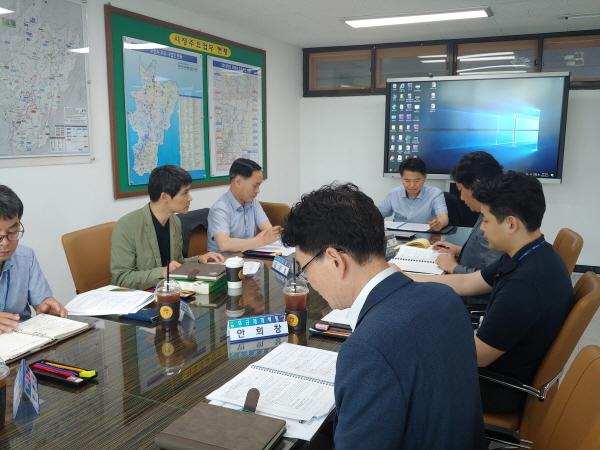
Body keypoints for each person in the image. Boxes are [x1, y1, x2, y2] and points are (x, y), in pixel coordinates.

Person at [282, 183, 484, 450]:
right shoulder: (444, 298)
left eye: (305, 269)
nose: (308, 281)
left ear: (334, 260)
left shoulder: (367, 349)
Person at [407, 172, 573, 413]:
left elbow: (477, 356)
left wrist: (421, 336)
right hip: (499, 367)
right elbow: (468, 282)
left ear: (511, 224)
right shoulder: (530, 252)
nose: (482, 229)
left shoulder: (524, 285)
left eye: (486, 220)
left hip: (496, 388)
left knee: (403, 359)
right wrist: (405, 278)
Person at [111, 165, 223, 290]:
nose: (190, 198)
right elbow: (121, 279)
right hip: (141, 296)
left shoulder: (175, 221)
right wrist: (163, 272)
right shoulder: (127, 226)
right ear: (164, 197)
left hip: (168, 291)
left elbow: (176, 263)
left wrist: (199, 259)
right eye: (185, 193)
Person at [432, 152, 504, 305]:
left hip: (473, 301)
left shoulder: (496, 218)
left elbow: (490, 278)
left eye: (461, 190)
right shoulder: (488, 208)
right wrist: (459, 250)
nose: (461, 197)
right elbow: (487, 255)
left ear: (475, 185)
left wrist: (453, 267)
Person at [0, 185, 66, 333]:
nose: (5, 243)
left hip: (23, 338)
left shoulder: (26, 257)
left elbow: (41, 301)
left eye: (12, 231)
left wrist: (47, 305)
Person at [207, 158, 281, 252]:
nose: (258, 191)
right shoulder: (220, 209)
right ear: (238, 182)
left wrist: (264, 238)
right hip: (224, 259)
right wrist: (259, 241)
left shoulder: (253, 202)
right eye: (255, 185)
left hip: (247, 256)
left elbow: (269, 232)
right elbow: (224, 244)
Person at [379, 157, 448, 231]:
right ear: (401, 178)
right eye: (407, 181)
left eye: (417, 181)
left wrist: (439, 224)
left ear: (425, 177)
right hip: (399, 234)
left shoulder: (435, 193)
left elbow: (443, 217)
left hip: (424, 236)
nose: (412, 185)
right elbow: (378, 215)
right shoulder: (394, 193)